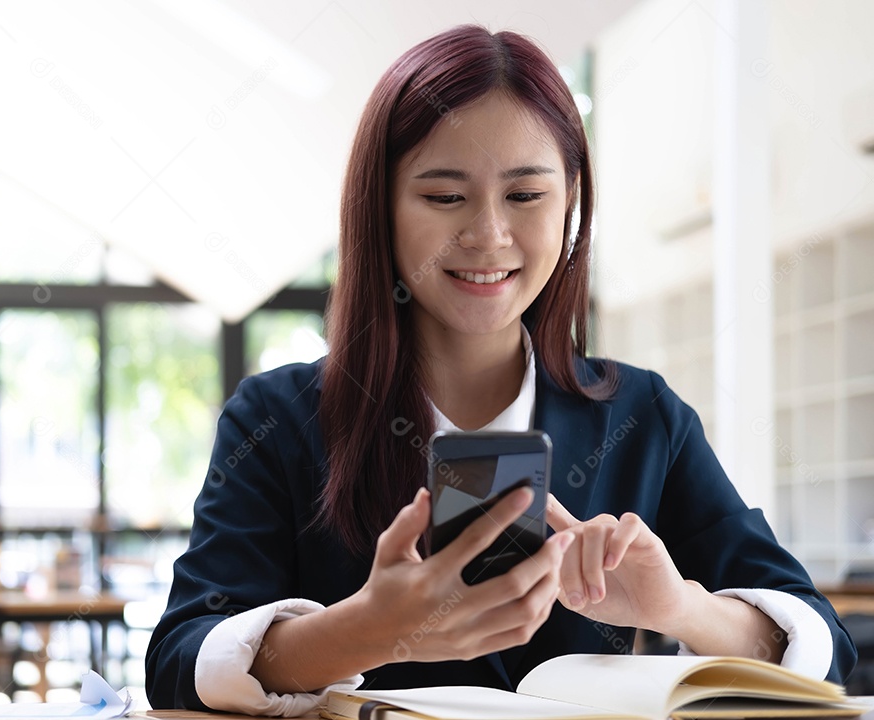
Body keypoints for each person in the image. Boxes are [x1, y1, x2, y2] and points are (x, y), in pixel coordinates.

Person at [145, 24, 856, 714]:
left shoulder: (643, 416)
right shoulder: (278, 418)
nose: (487, 235)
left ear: (571, 200)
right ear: (379, 208)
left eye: (525, 195)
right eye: (444, 196)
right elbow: (180, 660)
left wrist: (681, 607)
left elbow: (820, 646)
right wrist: (365, 631)